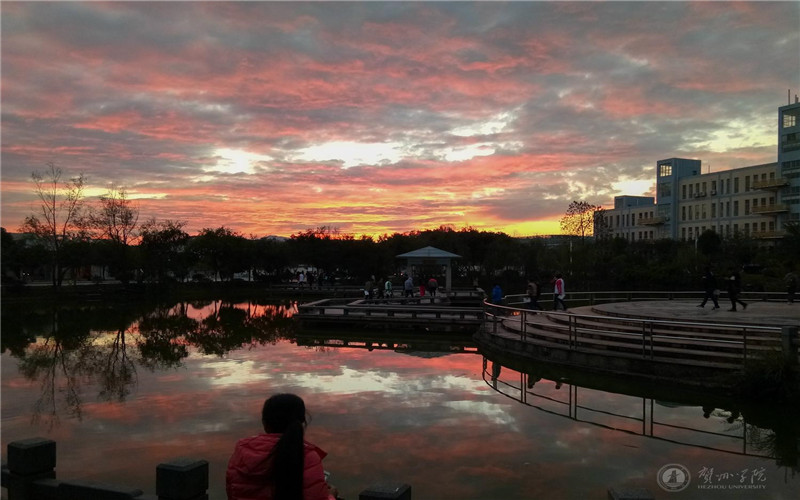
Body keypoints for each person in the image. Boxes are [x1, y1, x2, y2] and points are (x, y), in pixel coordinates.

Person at [226, 393, 337, 500]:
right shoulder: (308, 457)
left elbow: (232, 493)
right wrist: (331, 496)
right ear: (301, 422)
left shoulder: (241, 452)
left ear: (265, 424)